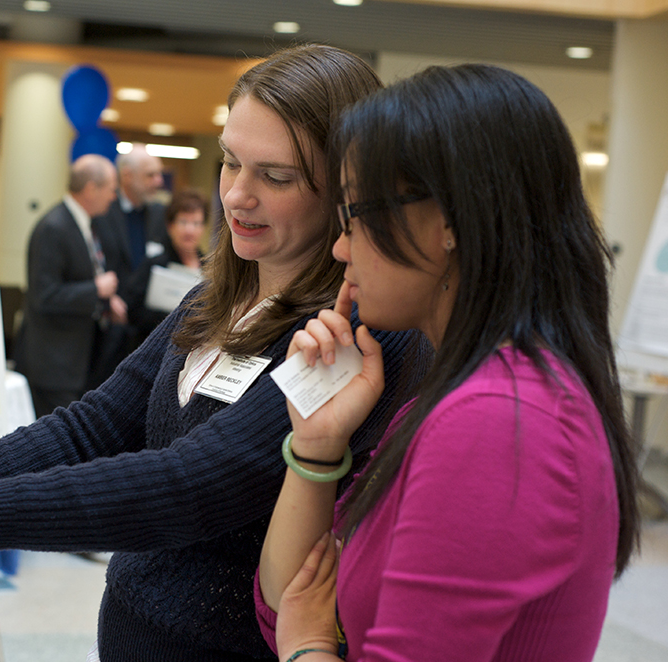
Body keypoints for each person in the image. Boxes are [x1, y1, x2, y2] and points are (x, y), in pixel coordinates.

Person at [0, 44, 432, 662]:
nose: (237, 195)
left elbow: (183, 487)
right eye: (230, 162)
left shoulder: (347, 335)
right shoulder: (214, 298)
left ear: (343, 193)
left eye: (276, 177)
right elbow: (89, 427)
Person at [255, 64, 640, 662]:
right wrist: (317, 446)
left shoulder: (497, 418)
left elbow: (304, 631)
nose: (339, 248)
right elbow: (292, 601)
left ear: (448, 225)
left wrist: (306, 650)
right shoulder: (465, 394)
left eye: (354, 216)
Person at [13, 153, 129, 416]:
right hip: (52, 365)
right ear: (91, 189)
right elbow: (44, 295)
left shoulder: (83, 223)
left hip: (73, 360)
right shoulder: (54, 228)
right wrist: (96, 290)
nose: (113, 197)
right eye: (111, 190)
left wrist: (105, 299)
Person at [121, 188, 207, 345]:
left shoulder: (211, 268)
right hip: (155, 346)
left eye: (196, 223)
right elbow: (132, 310)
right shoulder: (155, 264)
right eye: (183, 222)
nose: (190, 230)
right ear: (170, 226)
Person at [96, 142, 168, 272]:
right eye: (150, 175)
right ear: (127, 176)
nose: (159, 181)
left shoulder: (160, 213)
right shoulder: (102, 212)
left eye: (159, 174)